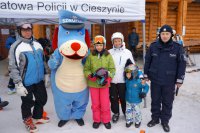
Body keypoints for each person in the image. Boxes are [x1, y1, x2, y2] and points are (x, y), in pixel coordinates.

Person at [8, 22, 50, 133]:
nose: (27, 32)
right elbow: (13, 67)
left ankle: (37, 117)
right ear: (20, 31)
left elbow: (43, 61)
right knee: (27, 102)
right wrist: (18, 84)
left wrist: (46, 74)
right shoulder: (16, 46)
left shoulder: (37, 44)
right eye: (24, 30)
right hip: (25, 81)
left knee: (42, 99)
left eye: (29, 30)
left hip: (38, 79)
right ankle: (27, 120)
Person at [144, 24, 186, 132]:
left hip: (169, 81)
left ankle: (165, 121)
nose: (165, 36)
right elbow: (147, 61)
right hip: (155, 80)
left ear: (171, 35)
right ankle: (155, 119)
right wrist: (145, 74)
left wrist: (180, 79)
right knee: (155, 101)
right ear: (159, 35)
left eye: (167, 34)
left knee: (168, 102)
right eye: (163, 34)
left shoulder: (177, 47)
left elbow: (182, 64)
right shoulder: (153, 46)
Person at [84, 35, 115, 129]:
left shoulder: (108, 56)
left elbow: (112, 69)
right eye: (97, 45)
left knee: (105, 103)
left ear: (104, 45)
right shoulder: (90, 56)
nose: (99, 47)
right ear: (94, 46)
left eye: (101, 45)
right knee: (95, 104)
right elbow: (86, 69)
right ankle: (97, 120)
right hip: (93, 84)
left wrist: (108, 78)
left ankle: (106, 120)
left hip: (104, 84)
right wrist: (90, 76)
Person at [108, 32, 135, 123]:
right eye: (115, 41)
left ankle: (125, 112)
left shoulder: (127, 52)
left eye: (119, 41)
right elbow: (105, 65)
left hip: (123, 81)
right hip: (112, 80)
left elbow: (132, 65)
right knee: (113, 98)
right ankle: (116, 113)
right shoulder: (109, 52)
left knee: (124, 98)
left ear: (122, 41)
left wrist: (128, 72)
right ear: (112, 42)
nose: (117, 43)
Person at [124, 59, 149, 128]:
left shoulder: (139, 81)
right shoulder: (127, 80)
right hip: (128, 100)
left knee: (137, 112)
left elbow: (146, 87)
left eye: (129, 74)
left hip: (136, 100)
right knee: (128, 111)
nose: (127, 75)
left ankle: (138, 121)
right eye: (126, 73)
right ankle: (129, 120)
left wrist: (143, 92)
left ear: (134, 73)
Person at [5, 29, 17, 95]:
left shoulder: (17, 38)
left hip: (17, 56)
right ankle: (11, 88)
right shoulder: (9, 39)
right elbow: (6, 45)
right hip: (12, 56)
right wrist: (11, 46)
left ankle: (14, 86)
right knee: (13, 72)